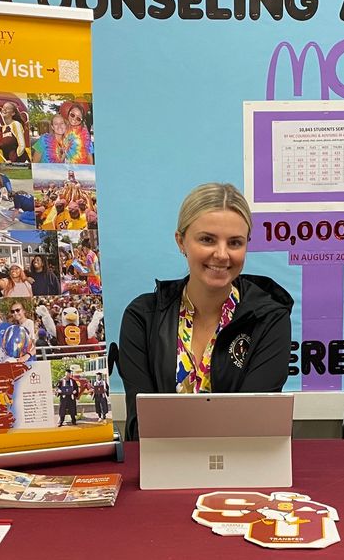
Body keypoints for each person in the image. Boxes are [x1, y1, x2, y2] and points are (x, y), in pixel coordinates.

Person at [118, 182, 292, 439]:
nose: (222, 254)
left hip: (242, 468)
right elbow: (140, 426)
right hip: (165, 468)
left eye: (235, 243)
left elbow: (256, 427)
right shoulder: (142, 318)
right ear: (181, 242)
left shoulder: (269, 318)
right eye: (207, 239)